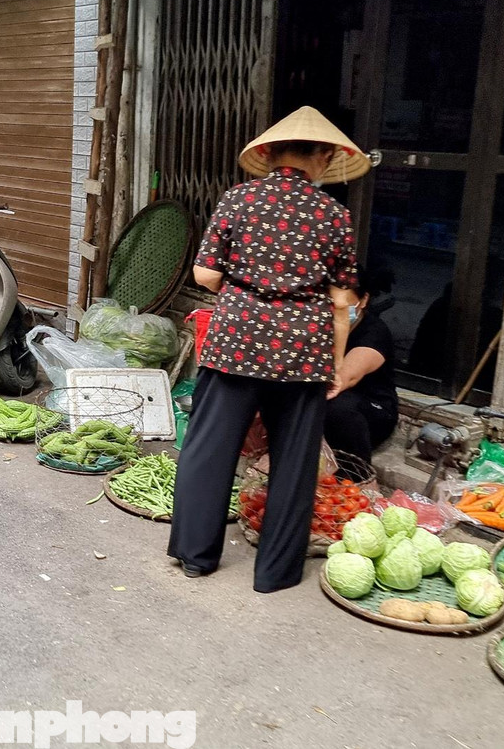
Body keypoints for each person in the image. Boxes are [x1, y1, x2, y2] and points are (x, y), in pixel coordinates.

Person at [167, 106, 372, 593]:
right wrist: (337, 364)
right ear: (322, 156)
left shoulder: (238, 200)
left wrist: (251, 295)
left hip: (236, 341)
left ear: (270, 154)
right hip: (303, 351)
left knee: (209, 448)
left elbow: (205, 275)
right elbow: (342, 301)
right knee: (295, 461)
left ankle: (196, 556)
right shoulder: (334, 215)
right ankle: (275, 573)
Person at [323, 267, 399, 461]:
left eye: (343, 306)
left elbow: (347, 376)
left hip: (372, 409)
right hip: (328, 400)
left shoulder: (374, 332)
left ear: (363, 300)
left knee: (336, 406)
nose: (336, 312)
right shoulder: (319, 324)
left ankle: (355, 476)